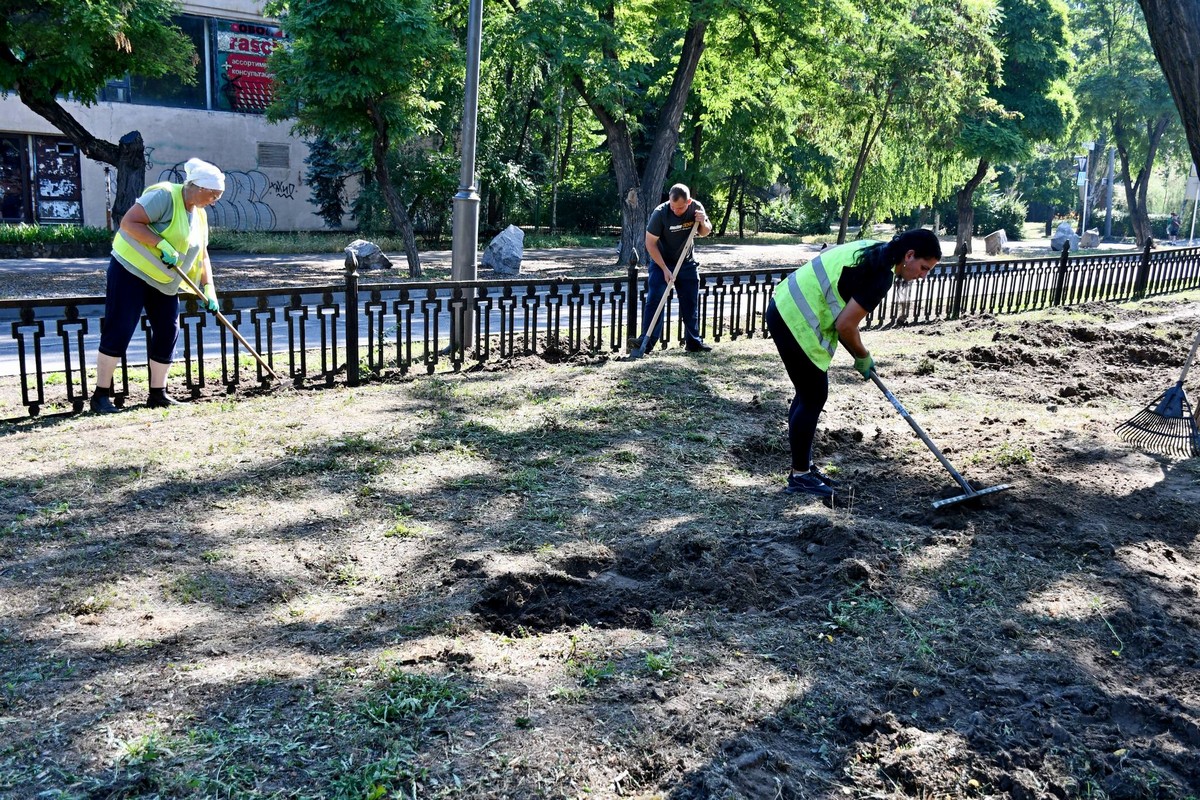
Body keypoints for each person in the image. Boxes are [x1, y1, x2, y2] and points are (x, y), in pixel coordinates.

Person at [765, 229, 942, 498]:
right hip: (795, 318)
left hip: (785, 305)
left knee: (808, 394)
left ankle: (804, 469)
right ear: (909, 255)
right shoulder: (881, 275)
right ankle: (800, 477)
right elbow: (846, 325)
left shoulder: (875, 250)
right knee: (813, 395)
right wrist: (862, 355)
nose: (923, 275)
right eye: (923, 267)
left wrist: (860, 354)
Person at [89, 158, 225, 413]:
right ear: (197, 187)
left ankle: (157, 394)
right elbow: (128, 224)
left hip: (164, 280)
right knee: (120, 328)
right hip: (131, 271)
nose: (215, 200)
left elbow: (202, 254)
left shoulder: (201, 215)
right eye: (213, 194)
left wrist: (209, 289)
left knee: (167, 331)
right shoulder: (164, 196)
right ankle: (100, 396)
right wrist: (160, 243)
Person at [637, 183, 713, 353]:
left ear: (688, 202)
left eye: (679, 208)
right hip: (661, 261)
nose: (675, 211)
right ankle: (646, 343)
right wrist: (664, 268)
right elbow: (650, 244)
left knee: (690, 302)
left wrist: (703, 222)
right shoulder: (660, 213)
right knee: (656, 298)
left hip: (686, 262)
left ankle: (694, 342)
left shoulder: (696, 208)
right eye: (672, 206)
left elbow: (705, 231)